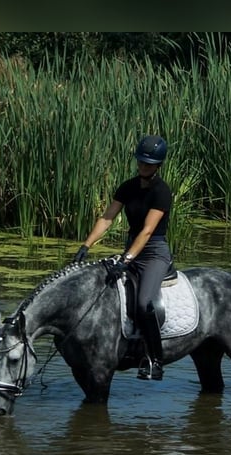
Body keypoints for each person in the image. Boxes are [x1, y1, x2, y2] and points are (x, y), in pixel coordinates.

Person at [72, 134, 173, 381]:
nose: (142, 167)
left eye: (148, 164)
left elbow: (147, 231)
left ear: (158, 165)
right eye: (140, 162)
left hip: (153, 253)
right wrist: (85, 246)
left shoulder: (162, 192)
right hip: (131, 249)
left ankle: (155, 360)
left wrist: (125, 260)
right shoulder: (128, 187)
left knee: (143, 303)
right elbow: (107, 218)